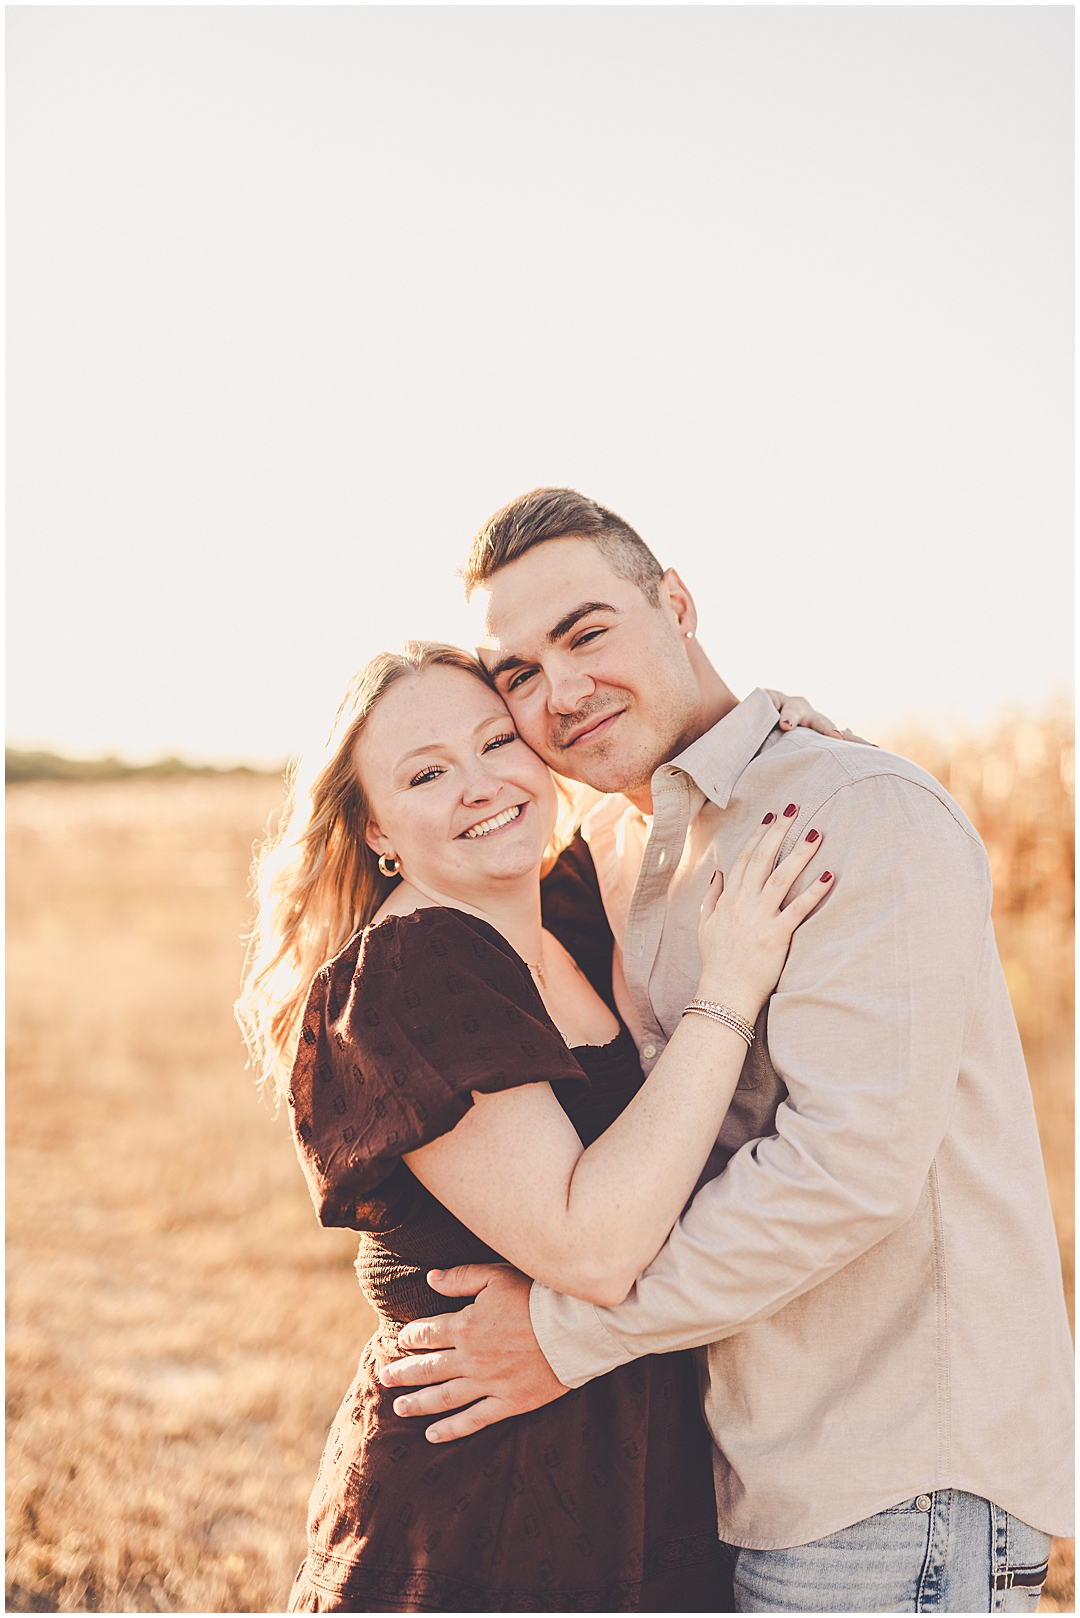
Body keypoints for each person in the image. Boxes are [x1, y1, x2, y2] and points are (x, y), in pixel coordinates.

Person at [380, 488, 1074, 1614]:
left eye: (587, 632)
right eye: (516, 672)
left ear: (678, 602)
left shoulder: (855, 811)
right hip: (748, 1468)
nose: (560, 693)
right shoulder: (616, 843)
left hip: (893, 1483)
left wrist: (558, 1335)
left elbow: (847, 1165)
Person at [236, 640, 840, 1613]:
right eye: (428, 772)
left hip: (643, 1476)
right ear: (377, 828)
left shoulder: (563, 914)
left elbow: (651, 792)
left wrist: (781, 749)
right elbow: (592, 1250)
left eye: (497, 742)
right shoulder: (411, 970)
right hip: (486, 1507)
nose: (481, 786)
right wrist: (727, 993)